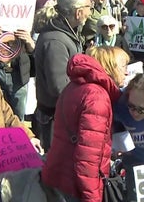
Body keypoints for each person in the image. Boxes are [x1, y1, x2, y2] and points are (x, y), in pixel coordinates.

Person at [41, 46, 127, 201]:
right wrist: (92, 197)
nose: (127, 72)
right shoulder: (97, 97)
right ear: (110, 67)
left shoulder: (75, 86)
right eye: (123, 66)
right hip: (75, 185)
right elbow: (87, 158)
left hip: (58, 174)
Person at [34, 0, 90, 151]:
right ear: (78, 12)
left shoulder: (67, 34)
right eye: (89, 8)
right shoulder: (55, 41)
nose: (90, 13)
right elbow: (59, 87)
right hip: (55, 120)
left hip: (64, 115)